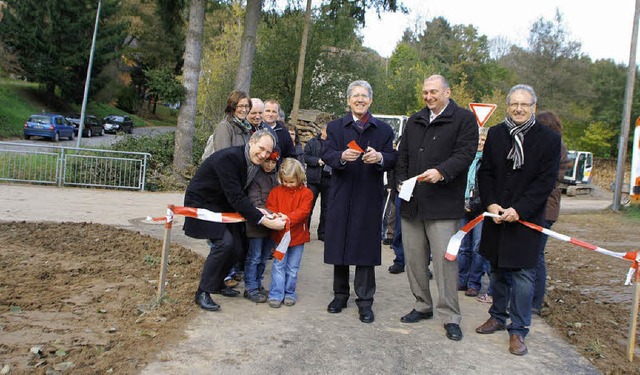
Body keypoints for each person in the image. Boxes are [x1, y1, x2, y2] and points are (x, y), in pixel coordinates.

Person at [475, 84, 561, 356]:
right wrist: (491, 203)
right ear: (508, 106)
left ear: (534, 107)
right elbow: (485, 172)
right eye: (514, 104)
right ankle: (497, 316)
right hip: (497, 216)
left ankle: (519, 329)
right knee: (497, 270)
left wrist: (519, 210)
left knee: (523, 276)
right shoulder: (497, 134)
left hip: (525, 220)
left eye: (524, 104)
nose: (519, 109)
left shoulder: (548, 139)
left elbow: (544, 182)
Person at [395, 74, 478, 341]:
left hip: (443, 206)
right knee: (415, 260)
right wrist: (399, 182)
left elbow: (465, 154)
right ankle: (422, 305)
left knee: (445, 264)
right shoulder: (415, 119)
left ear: (447, 92)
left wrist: (441, 172)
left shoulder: (464, 120)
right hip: (412, 204)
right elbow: (403, 156)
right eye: (425, 92)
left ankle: (451, 316)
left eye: (434, 92)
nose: (429, 97)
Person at [185, 129, 286, 311]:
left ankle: (218, 284)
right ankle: (202, 292)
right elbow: (236, 197)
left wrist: (262, 210)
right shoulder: (230, 159)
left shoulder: (254, 162)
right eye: (261, 148)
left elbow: (243, 195)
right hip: (203, 204)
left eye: (267, 152)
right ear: (251, 142)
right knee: (225, 244)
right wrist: (264, 220)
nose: (263, 155)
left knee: (238, 247)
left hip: (224, 206)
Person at [322, 80, 397, 324]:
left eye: (364, 96)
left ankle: (365, 301)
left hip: (368, 195)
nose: (360, 100)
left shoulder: (384, 130)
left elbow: (393, 157)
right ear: (348, 100)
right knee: (339, 245)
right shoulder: (335, 127)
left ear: (371, 100)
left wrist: (380, 158)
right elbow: (326, 153)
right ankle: (340, 295)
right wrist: (341, 156)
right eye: (355, 96)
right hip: (341, 194)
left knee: (365, 249)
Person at [531, 111, 570, 316]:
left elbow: (549, 180)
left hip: (545, 210)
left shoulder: (557, 148)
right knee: (531, 254)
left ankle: (535, 302)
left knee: (537, 256)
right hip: (538, 208)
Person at [266, 158, 314, 308]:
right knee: (279, 265)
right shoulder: (276, 192)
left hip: (297, 237)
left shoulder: (307, 193)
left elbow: (303, 212)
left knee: (293, 268)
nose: (287, 184)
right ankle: (276, 293)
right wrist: (274, 217)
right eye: (285, 181)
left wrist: (287, 218)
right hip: (280, 237)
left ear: (300, 178)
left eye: (292, 182)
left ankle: (289, 293)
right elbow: (270, 207)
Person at [243, 151, 280, 304]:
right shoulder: (255, 177)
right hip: (257, 225)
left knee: (264, 257)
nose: (270, 165)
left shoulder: (276, 178)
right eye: (267, 162)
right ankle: (250, 287)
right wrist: (272, 214)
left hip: (272, 227)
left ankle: (258, 284)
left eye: (273, 163)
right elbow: (255, 202)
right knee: (255, 257)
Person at [457, 128, 489, 297]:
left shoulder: (489, 162)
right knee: (463, 247)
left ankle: (474, 283)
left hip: (480, 210)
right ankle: (461, 279)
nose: (480, 143)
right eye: (478, 140)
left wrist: (474, 205)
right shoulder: (465, 160)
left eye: (483, 140)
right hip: (462, 207)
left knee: (477, 247)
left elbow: (488, 188)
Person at [201, 90, 252, 160]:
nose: (244, 110)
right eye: (240, 106)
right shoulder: (224, 127)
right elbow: (223, 158)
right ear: (232, 107)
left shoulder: (247, 128)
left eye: (247, 106)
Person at [303, 122, 331, 241]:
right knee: (308, 207)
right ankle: (305, 232)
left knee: (326, 208)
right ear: (322, 130)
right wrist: (317, 161)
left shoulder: (334, 144)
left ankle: (322, 233)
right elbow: (305, 156)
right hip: (313, 180)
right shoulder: (312, 142)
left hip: (328, 179)